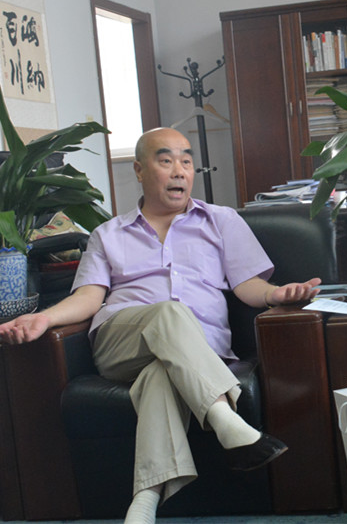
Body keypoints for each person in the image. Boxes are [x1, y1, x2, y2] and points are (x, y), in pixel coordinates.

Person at [0, 128, 321, 524]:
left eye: (186, 161)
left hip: (196, 351)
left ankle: (144, 501)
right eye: (166, 161)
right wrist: (44, 317)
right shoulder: (108, 234)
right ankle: (225, 420)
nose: (179, 171)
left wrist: (277, 294)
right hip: (122, 340)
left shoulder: (222, 221)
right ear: (139, 170)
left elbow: (247, 285)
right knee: (169, 312)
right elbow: (88, 298)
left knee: (160, 375)